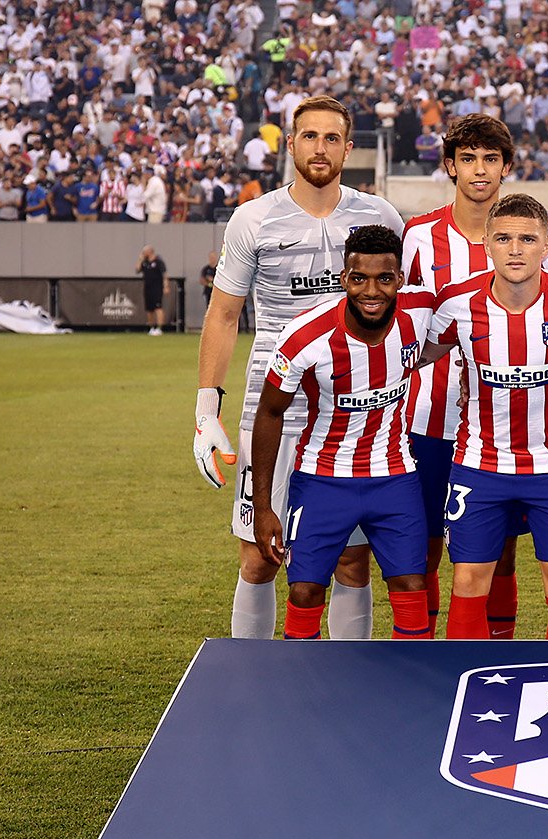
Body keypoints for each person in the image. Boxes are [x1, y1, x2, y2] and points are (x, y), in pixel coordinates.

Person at [194, 95, 404, 640]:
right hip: (273, 413)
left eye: (332, 138)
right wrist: (204, 408)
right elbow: (223, 312)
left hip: (352, 417)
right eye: (309, 136)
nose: (320, 147)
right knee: (260, 557)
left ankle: (348, 681)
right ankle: (251, 678)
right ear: (291, 144)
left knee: (351, 563)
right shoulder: (253, 217)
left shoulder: (379, 216)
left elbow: (404, 314)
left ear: (348, 149)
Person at [403, 193, 548, 640]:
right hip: (480, 465)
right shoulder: (456, 303)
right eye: (504, 238)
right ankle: (462, 683)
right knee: (469, 581)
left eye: (527, 239)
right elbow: (413, 355)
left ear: (547, 244)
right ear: (486, 244)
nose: (516, 249)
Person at [251, 225, 430, 641]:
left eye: (384, 278)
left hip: (395, 477)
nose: (372, 291)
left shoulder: (420, 312)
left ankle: (414, 697)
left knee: (411, 586)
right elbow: (269, 412)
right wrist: (263, 507)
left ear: (400, 279)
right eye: (359, 278)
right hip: (323, 479)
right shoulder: (305, 335)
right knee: (306, 589)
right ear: (343, 278)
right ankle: (305, 688)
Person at [399, 115, 518, 638]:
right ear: (449, 165)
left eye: (490, 159)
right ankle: (428, 656)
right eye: (467, 159)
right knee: (424, 544)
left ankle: (498, 653)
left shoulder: (525, 236)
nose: (479, 170)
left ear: (506, 167)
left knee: (501, 553)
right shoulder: (420, 236)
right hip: (427, 420)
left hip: (506, 429)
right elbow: (400, 325)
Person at [138, 245, 168, 336]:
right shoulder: (145, 262)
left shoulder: (159, 262)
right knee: (149, 310)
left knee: (158, 308)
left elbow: (165, 275)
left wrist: (166, 286)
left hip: (157, 288)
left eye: (144, 251)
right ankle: (151, 328)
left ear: (150, 251)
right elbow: (137, 269)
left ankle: (159, 328)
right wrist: (140, 259)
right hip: (147, 288)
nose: (143, 253)